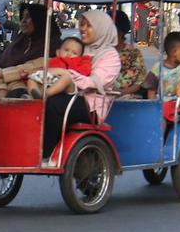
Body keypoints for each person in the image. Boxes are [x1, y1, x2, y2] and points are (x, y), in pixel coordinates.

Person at [39, 10, 122, 157]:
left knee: (53, 105)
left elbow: (94, 82)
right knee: (22, 97)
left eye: (89, 26)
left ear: (101, 28)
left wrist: (66, 74)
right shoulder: (80, 48)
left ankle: (46, 153)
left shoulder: (111, 56)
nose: (83, 29)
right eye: (82, 24)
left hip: (90, 105)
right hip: (68, 94)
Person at [0, 3, 61, 97]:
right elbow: (1, 66)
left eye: (28, 17)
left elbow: (39, 66)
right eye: (22, 17)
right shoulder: (20, 40)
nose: (23, 21)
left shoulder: (53, 44)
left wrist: (4, 74)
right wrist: (1, 89)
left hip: (31, 87)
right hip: (5, 84)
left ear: (39, 20)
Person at [27, 37, 92, 98]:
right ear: (58, 52)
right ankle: (34, 96)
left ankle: (44, 95)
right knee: (31, 79)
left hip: (69, 85)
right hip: (50, 80)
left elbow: (85, 71)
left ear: (80, 57)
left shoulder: (78, 62)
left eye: (74, 53)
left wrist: (86, 59)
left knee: (66, 78)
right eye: (66, 50)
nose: (69, 54)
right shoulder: (53, 61)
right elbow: (44, 71)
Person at [143, 32, 180, 100]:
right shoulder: (157, 68)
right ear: (175, 52)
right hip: (163, 103)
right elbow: (151, 91)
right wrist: (153, 104)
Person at [112, 10, 147, 99]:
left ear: (121, 32)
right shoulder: (101, 52)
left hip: (127, 98)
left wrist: (121, 93)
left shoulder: (134, 53)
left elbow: (139, 82)